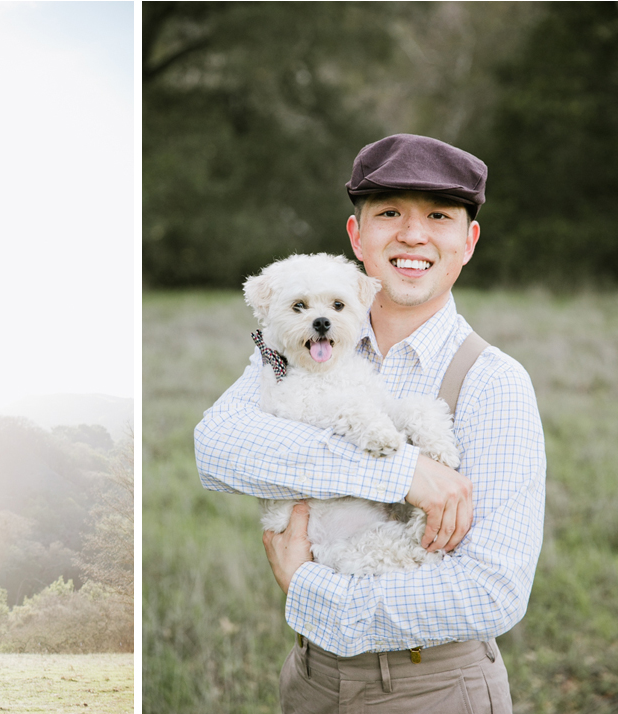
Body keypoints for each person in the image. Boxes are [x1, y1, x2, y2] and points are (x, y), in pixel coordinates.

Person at [194, 133, 546, 713]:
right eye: (389, 213)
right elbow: (217, 447)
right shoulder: (294, 347)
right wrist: (403, 474)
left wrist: (314, 592)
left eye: (438, 215)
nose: (413, 234)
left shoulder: (495, 381)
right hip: (309, 679)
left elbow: (493, 593)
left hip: (434, 686)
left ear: (469, 240)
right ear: (357, 236)